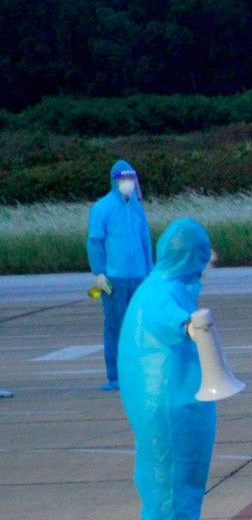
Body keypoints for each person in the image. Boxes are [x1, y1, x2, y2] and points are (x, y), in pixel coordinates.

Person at [118, 218, 226, 520]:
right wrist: (193, 324)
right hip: (169, 416)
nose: (207, 264)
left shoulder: (166, 288)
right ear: (190, 255)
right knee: (169, 512)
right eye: (204, 255)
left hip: (176, 411)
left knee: (177, 511)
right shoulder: (162, 295)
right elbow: (180, 325)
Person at [87, 159, 154, 391]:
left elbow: (145, 240)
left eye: (131, 178)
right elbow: (95, 242)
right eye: (124, 178)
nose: (129, 183)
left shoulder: (137, 207)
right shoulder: (102, 208)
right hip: (114, 279)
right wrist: (100, 273)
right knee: (115, 325)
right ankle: (114, 375)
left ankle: (136, 372)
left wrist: (150, 271)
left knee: (138, 326)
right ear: (115, 180)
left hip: (138, 276)